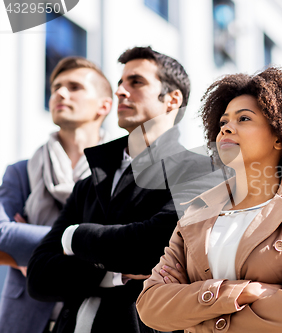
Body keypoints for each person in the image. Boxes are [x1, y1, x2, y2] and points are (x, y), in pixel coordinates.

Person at [27, 47, 218, 333]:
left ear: (172, 99)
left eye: (136, 82)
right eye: (120, 83)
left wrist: (72, 236)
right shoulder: (89, 182)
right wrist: (118, 270)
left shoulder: (201, 171)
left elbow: (152, 248)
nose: (120, 92)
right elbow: (39, 277)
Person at [136, 67, 282, 333]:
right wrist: (240, 293)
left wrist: (196, 309)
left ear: (279, 135)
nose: (227, 128)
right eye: (222, 122)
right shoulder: (197, 209)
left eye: (244, 119)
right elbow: (150, 306)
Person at [0, 57, 112, 333]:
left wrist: (38, 259)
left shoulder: (120, 174)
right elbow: (1, 234)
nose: (60, 93)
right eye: (56, 87)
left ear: (104, 106)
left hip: (94, 318)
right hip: (23, 319)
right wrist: (90, 243)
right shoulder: (21, 171)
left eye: (74, 87)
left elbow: (133, 243)